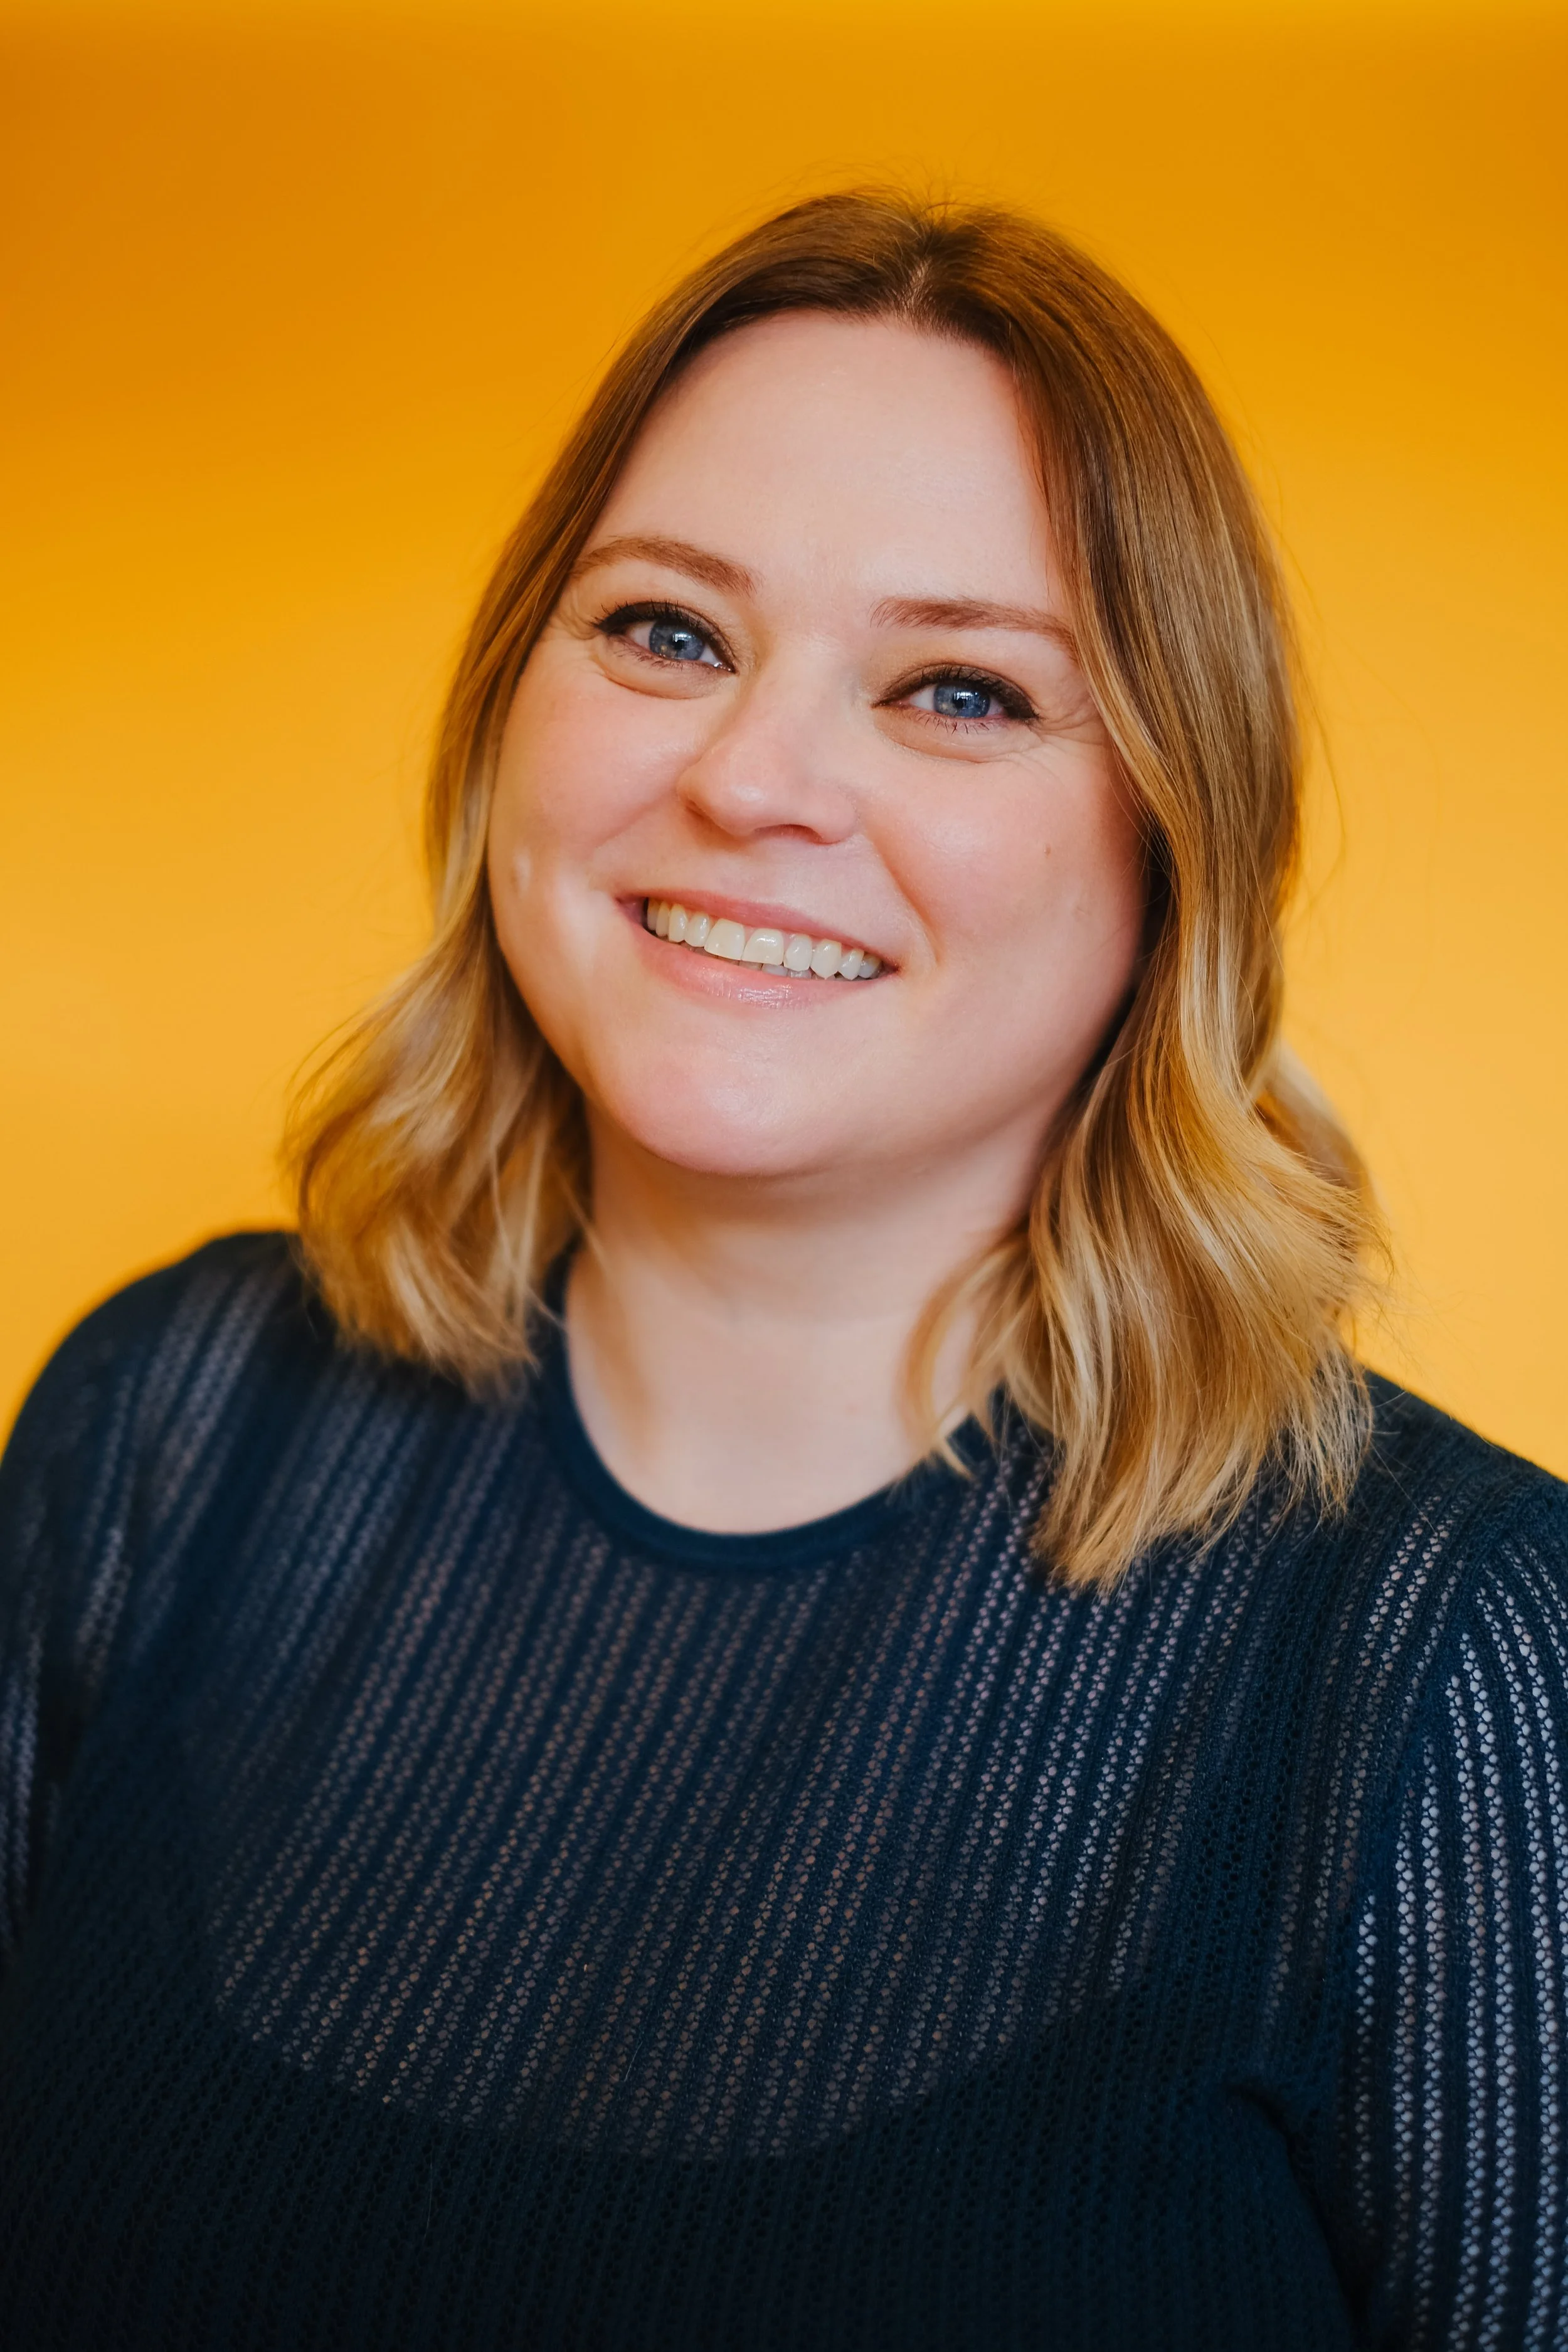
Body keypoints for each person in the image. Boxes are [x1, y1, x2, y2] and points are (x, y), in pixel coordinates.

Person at [1, 189, 1564, 2352]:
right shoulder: (164, 1428)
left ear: (1167, 851)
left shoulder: (1439, 1649)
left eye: (955, 688)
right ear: (504, 715)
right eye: (663, 631)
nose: (748, 779)